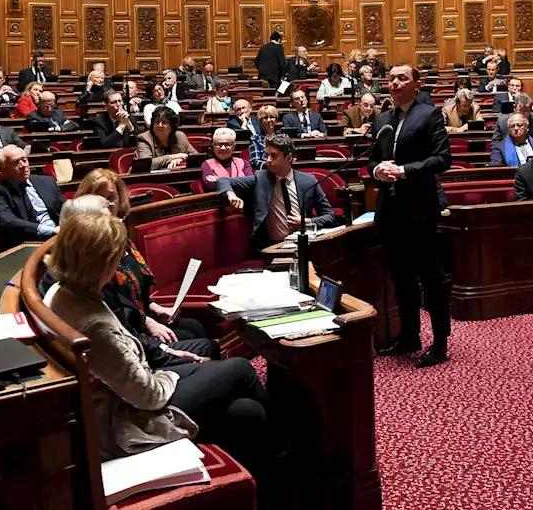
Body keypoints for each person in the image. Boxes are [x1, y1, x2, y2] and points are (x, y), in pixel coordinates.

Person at [46, 212, 277, 479]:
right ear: (100, 263)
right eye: (116, 256)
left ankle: (268, 467)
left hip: (126, 394)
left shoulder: (62, 291)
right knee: (240, 368)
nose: (121, 262)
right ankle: (283, 448)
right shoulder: (95, 324)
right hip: (127, 420)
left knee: (247, 411)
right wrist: (174, 373)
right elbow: (148, 397)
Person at [73, 169, 212, 352]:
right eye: (99, 197)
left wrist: (154, 308)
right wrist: (148, 323)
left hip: (141, 316)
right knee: (204, 346)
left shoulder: (121, 234)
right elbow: (115, 306)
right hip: (128, 331)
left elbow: (136, 285)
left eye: (111, 197)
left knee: (195, 326)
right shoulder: (91, 249)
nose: (106, 204)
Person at [369, 65, 452, 367]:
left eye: (402, 78)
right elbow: (372, 160)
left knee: (431, 277)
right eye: (391, 78)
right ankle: (410, 335)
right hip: (389, 211)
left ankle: (440, 343)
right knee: (401, 276)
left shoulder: (428, 114)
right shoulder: (382, 119)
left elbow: (443, 159)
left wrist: (403, 171)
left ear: (417, 85)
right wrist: (378, 170)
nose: (394, 82)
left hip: (419, 209)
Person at [217, 133, 334, 249]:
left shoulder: (308, 181)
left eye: (274, 155)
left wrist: (306, 221)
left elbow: (329, 216)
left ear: (289, 158)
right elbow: (223, 181)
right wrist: (231, 194)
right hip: (271, 247)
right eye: (267, 155)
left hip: (304, 243)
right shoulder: (260, 178)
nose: (268, 160)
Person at [0, 145, 65, 239]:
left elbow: (65, 206)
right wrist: (51, 230)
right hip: (30, 239)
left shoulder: (46, 181)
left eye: (24, 160)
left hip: (60, 233)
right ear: (2, 170)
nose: (23, 165)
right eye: (15, 162)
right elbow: (8, 221)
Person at [248, 106, 280, 170]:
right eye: (265, 118)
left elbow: (288, 157)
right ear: (260, 121)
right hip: (265, 171)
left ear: (276, 120)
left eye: (271, 117)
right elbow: (255, 161)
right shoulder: (255, 139)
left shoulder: (283, 137)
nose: (269, 120)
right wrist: (271, 165)